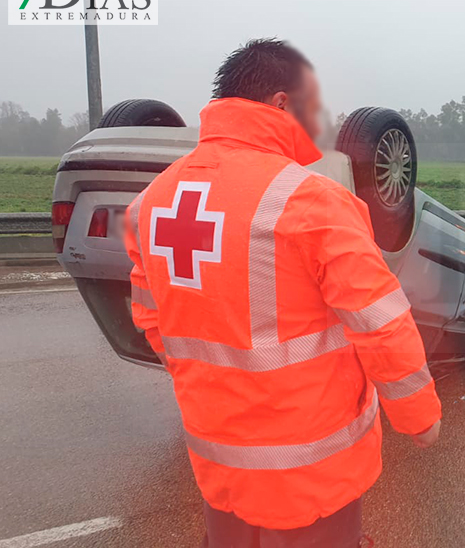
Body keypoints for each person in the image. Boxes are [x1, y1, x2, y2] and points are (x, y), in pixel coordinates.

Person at [123, 38, 442, 547]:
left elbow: (153, 321)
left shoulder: (150, 204)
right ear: (278, 105)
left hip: (218, 465)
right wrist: (419, 416)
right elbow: (380, 322)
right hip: (312, 479)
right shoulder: (312, 201)